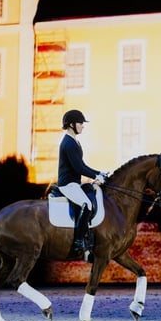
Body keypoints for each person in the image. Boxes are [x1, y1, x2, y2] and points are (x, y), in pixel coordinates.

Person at [58, 109, 109, 261]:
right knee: (87, 204)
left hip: (75, 183)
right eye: (80, 123)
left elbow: (82, 165)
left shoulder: (74, 141)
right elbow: (78, 168)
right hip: (67, 184)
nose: (82, 126)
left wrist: (100, 173)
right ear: (72, 124)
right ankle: (79, 242)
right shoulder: (68, 143)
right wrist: (95, 176)